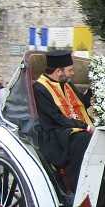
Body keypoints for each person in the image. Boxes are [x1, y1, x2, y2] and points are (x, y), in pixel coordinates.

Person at [33, 50, 93, 193]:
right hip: (54, 133)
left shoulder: (67, 84)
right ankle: (77, 186)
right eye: (70, 70)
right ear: (59, 71)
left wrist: (94, 88)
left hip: (71, 127)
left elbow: (82, 104)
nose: (72, 73)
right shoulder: (39, 88)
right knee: (83, 139)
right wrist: (85, 126)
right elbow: (56, 118)